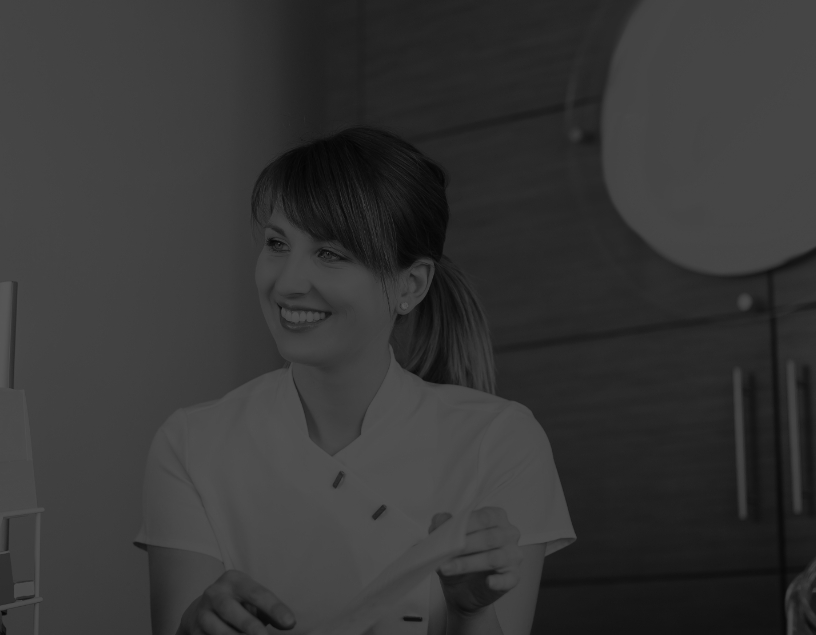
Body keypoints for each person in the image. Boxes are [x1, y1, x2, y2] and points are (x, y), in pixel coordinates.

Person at [135, 127, 576, 635]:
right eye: (278, 243)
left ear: (409, 285)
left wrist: (470, 611)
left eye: (329, 253)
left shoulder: (499, 440)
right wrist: (195, 626)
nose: (287, 282)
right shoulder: (191, 443)